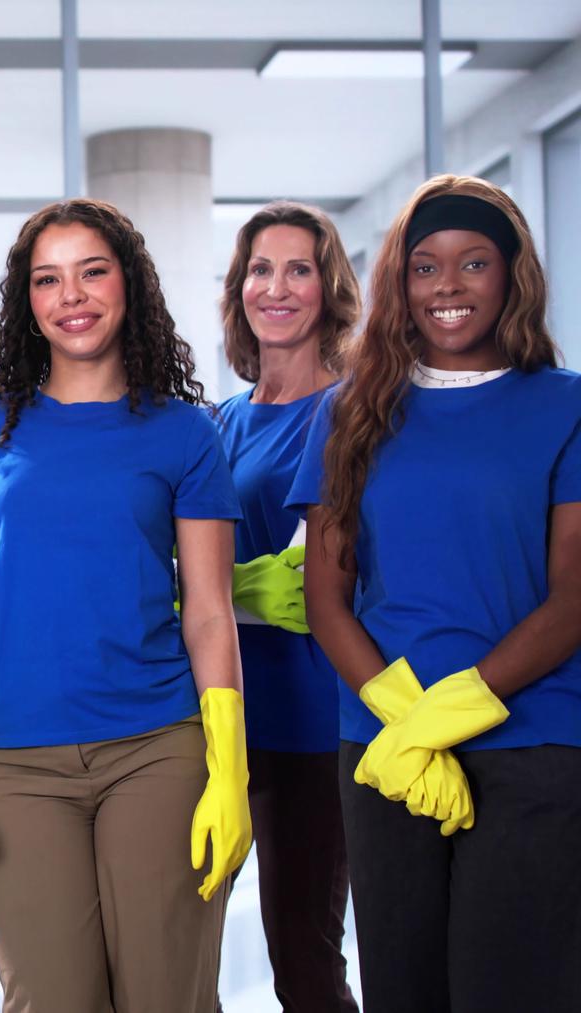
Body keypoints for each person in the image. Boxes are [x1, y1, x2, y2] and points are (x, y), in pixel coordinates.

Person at [0, 198, 251, 1011]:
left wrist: (230, 766)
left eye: (92, 272)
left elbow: (210, 609)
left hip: (158, 747)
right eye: (48, 279)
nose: (71, 295)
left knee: (167, 997)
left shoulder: (185, 433)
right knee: (50, 998)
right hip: (16, 759)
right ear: (26, 300)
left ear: (128, 283)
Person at [292, 175, 581, 1011]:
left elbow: (573, 598)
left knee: (514, 990)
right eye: (426, 267)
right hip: (384, 749)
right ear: (400, 281)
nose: (448, 285)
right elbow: (326, 599)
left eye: (474, 262)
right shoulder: (349, 412)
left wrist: (448, 713)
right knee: (402, 989)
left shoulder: (566, 407)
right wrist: (403, 720)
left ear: (513, 272)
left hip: (533, 743)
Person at [213, 201, 361, 1012]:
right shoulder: (222, 421)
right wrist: (224, 587)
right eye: (260, 270)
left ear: (328, 287)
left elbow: (312, 589)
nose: (276, 288)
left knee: (303, 959)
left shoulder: (349, 412)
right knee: (175, 943)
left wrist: (211, 586)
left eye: (298, 269)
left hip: (310, 722)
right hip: (218, 716)